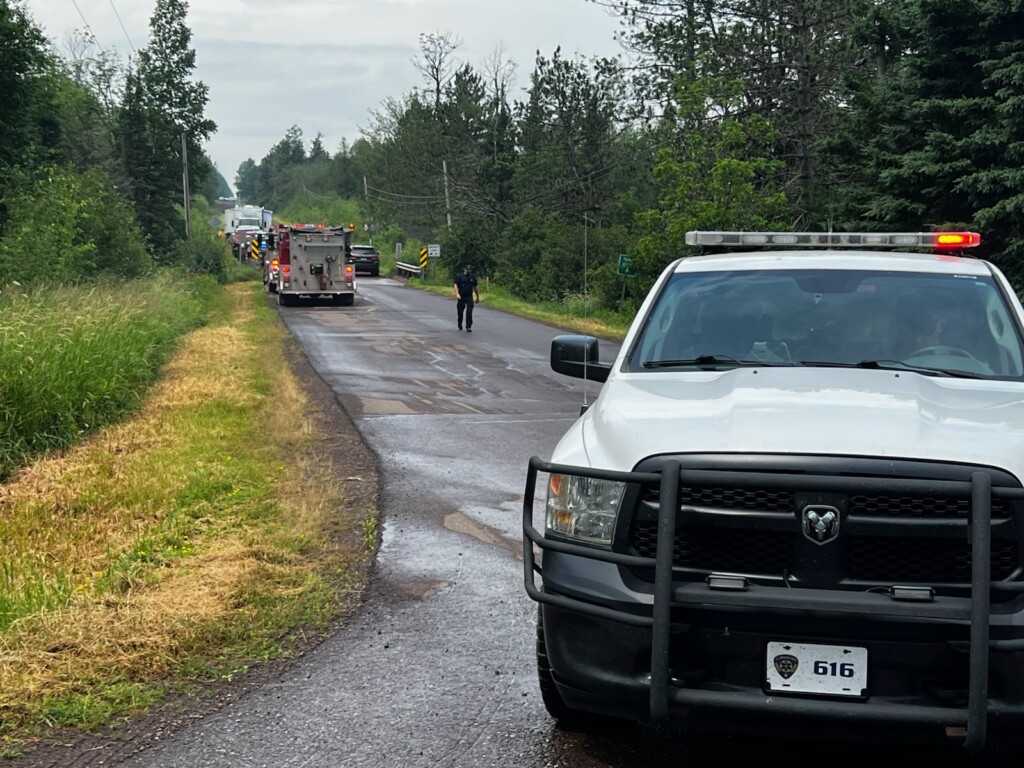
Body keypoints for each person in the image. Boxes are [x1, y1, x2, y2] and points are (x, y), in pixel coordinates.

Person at [453, 264, 481, 331]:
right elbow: (455, 285)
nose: (468, 271)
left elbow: (475, 287)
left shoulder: (472, 277)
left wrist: (477, 297)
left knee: (469, 311)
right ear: (464, 269)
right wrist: (457, 294)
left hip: (469, 296)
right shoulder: (460, 276)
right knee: (460, 311)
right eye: (467, 270)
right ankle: (459, 323)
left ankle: (468, 326)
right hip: (461, 296)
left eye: (470, 270)